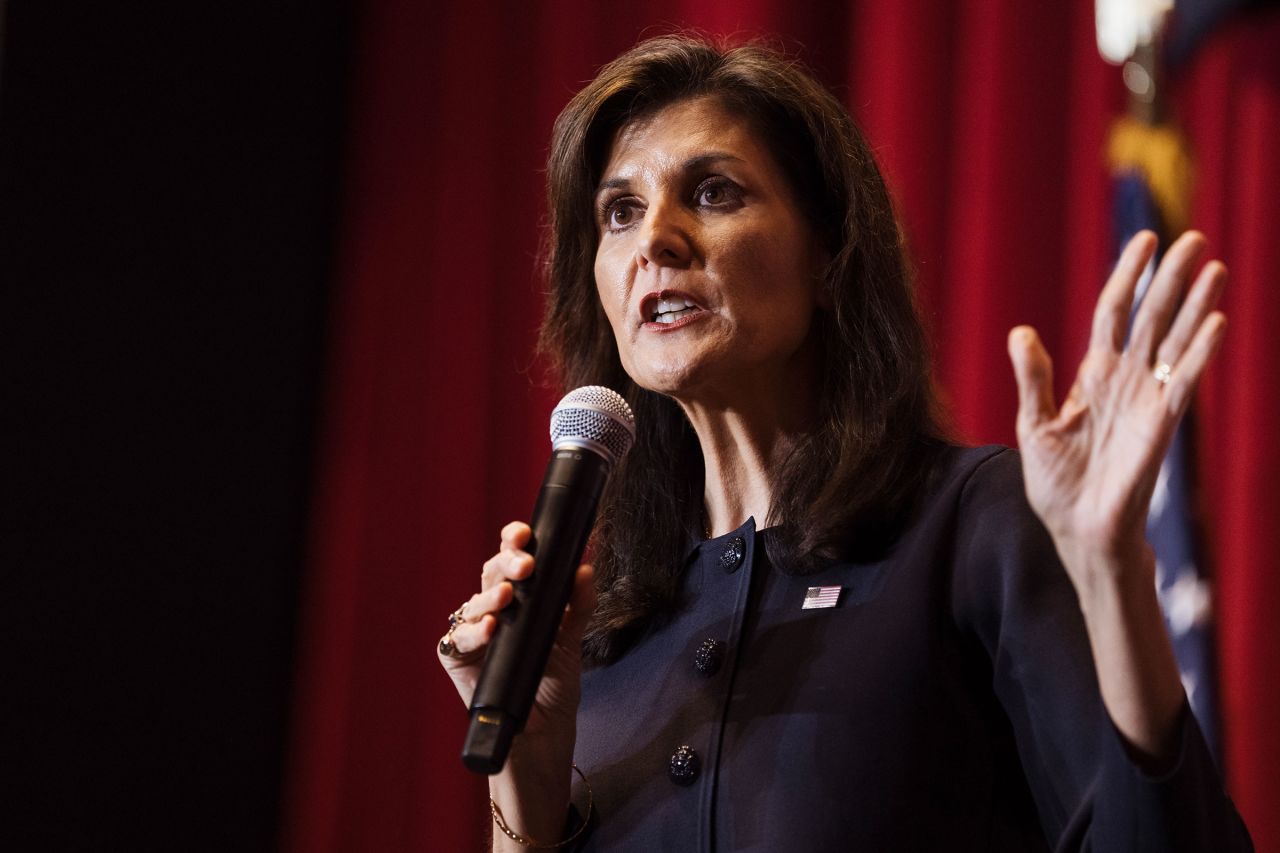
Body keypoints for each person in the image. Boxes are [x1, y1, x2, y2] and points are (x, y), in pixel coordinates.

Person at [438, 34, 1252, 851]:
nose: (655, 240)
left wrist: (1110, 572)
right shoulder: (594, 636)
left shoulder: (973, 527)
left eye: (713, 193)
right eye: (621, 212)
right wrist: (529, 767)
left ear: (828, 254)